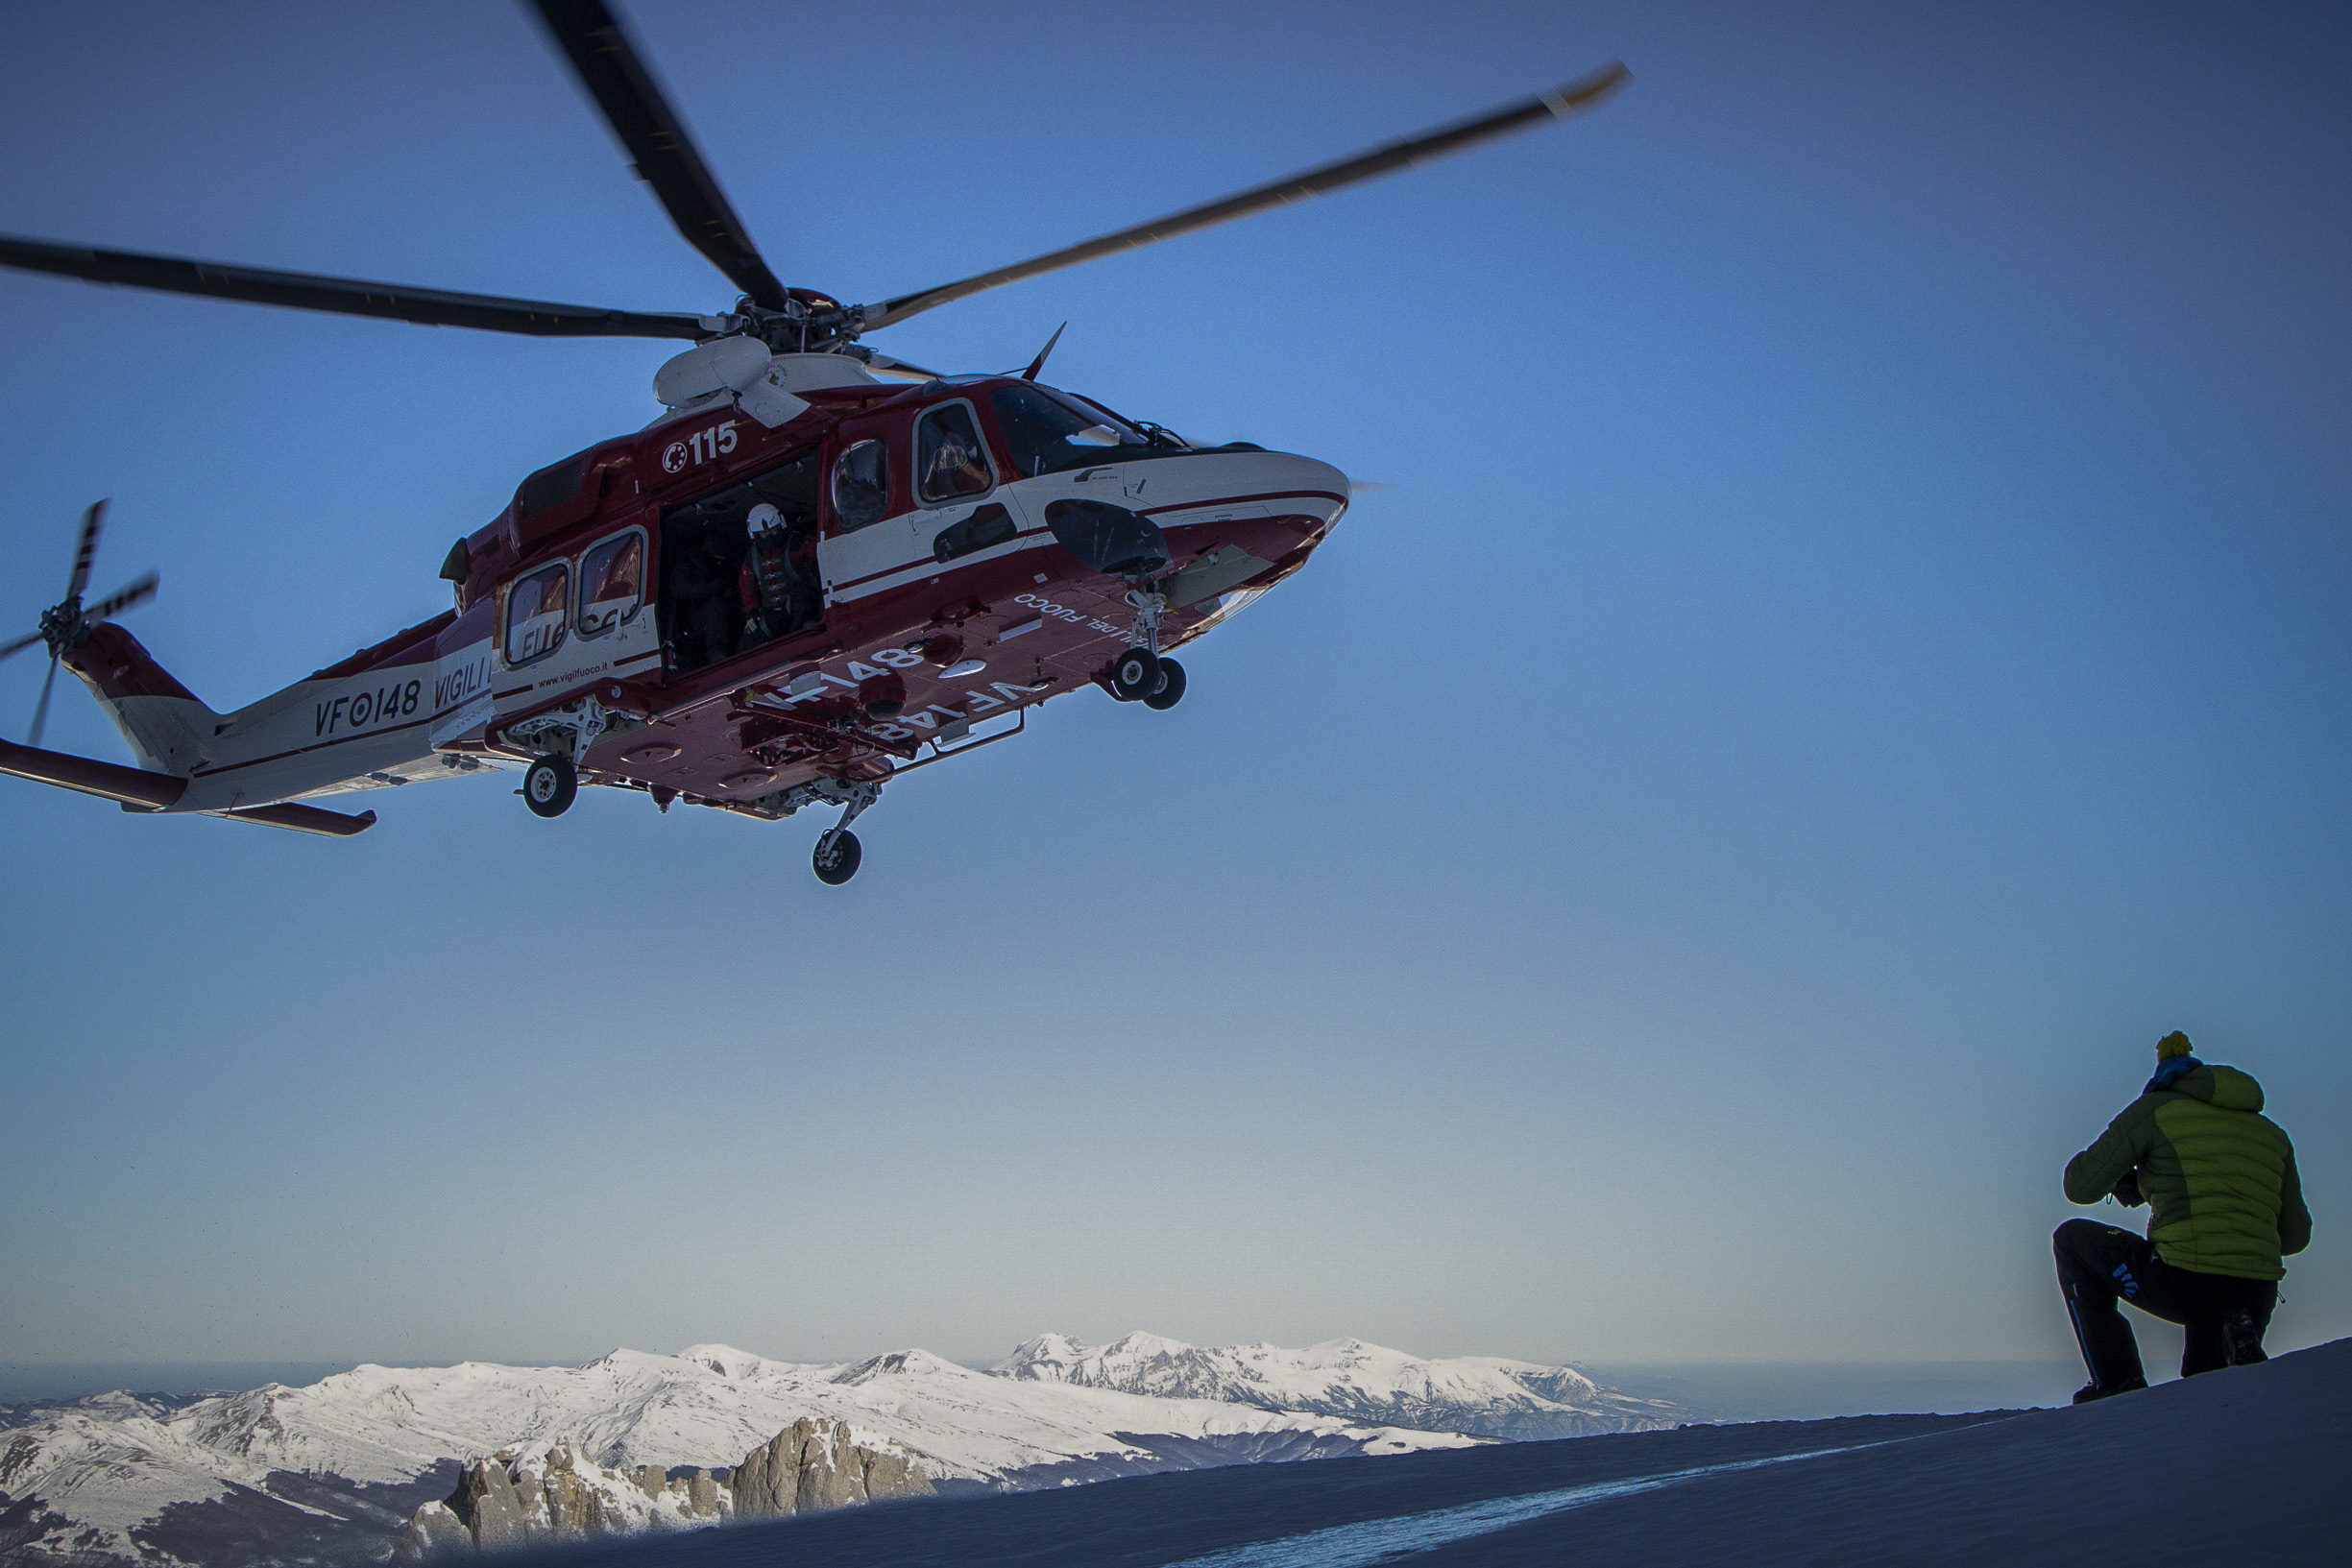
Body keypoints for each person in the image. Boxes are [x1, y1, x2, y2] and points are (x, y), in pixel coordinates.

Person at [2054, 1031, 2312, 1403]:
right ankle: (2233, 1329)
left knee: (2072, 1241)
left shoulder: (2155, 1110)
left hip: (2186, 1284)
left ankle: (2117, 1380)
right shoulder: (2274, 1135)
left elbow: (2079, 1187)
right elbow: (2295, 1238)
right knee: (2204, 1388)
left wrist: (2133, 1174)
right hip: (2256, 1290)